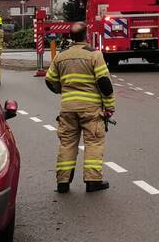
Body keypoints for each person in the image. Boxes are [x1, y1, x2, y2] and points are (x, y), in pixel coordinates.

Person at [45, 22, 115, 193]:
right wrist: (109, 107)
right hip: (90, 109)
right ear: (87, 35)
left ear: (70, 36)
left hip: (68, 109)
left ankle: (62, 183)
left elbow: (49, 80)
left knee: (67, 143)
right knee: (93, 142)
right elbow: (104, 83)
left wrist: (62, 90)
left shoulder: (61, 56)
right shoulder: (94, 55)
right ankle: (93, 181)